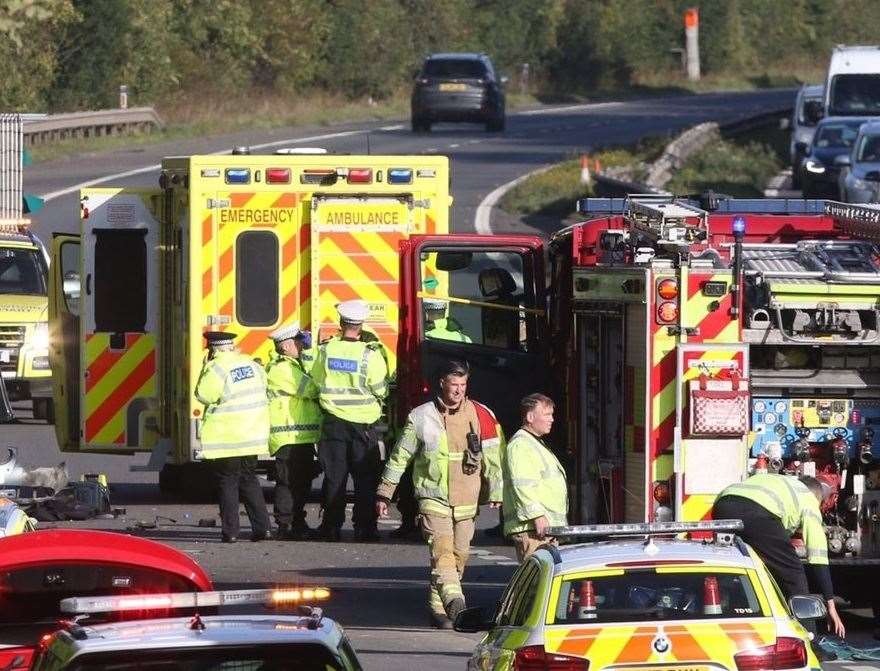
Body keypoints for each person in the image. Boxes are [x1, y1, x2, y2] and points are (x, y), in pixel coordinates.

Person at [375, 359, 504, 629]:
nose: (458, 390)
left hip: (467, 502)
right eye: (453, 384)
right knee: (442, 552)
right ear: (442, 383)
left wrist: (497, 490)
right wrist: (384, 493)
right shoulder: (421, 416)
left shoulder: (482, 415)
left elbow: (493, 456)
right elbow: (400, 457)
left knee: (459, 557)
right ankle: (456, 605)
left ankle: (438, 605)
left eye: (463, 384)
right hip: (433, 499)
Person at [714, 473, 846, 645]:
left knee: (739, 572)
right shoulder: (808, 499)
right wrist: (830, 606)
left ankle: (729, 626)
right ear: (817, 497)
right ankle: (809, 641)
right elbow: (818, 557)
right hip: (755, 512)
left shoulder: (783, 483)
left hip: (722, 505)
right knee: (792, 572)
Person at [309, 300, 389, 543]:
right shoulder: (370, 354)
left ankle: (331, 527)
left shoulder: (326, 350)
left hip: (333, 423)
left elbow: (316, 381)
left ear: (341, 324)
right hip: (363, 426)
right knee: (365, 480)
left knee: (335, 477)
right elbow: (380, 389)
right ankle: (365, 528)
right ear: (361, 325)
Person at [194, 331, 271, 543]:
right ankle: (263, 528)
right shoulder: (251, 364)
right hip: (252, 434)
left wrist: (204, 369)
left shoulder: (216, 367)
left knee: (228, 482)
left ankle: (231, 532)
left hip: (227, 437)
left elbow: (204, 395)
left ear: (212, 349)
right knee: (249, 480)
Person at [266, 323, 321, 541]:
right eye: (298, 343)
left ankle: (296, 521)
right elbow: (311, 388)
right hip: (289, 437)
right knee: (288, 483)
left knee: (301, 482)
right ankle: (286, 524)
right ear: (287, 346)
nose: (301, 346)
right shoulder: (283, 369)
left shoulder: (293, 365)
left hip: (300, 436)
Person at [502, 393, 568, 561]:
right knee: (535, 583)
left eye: (552, 415)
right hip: (533, 530)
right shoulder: (521, 445)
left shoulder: (534, 443)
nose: (552, 419)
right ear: (530, 417)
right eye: (546, 414)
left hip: (542, 530)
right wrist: (537, 516)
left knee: (544, 583)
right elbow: (522, 485)